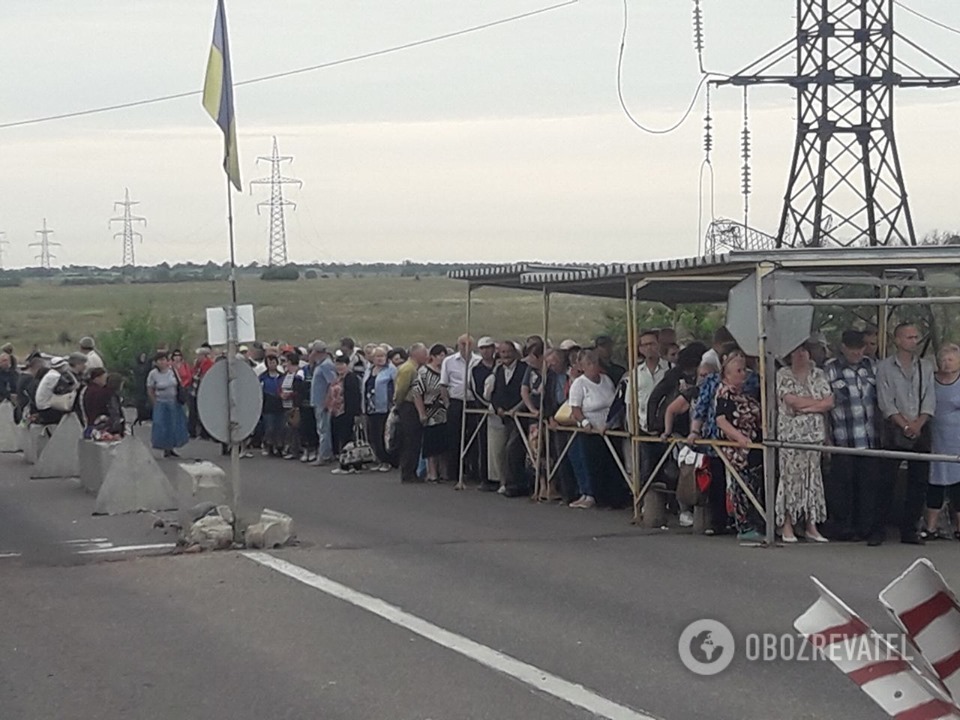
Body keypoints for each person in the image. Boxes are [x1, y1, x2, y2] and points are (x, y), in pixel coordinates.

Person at [877, 323, 936, 545]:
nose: (914, 341)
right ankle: (879, 528)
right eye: (909, 337)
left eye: (916, 337)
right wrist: (904, 424)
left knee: (919, 481)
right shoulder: (885, 367)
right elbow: (885, 400)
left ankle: (910, 529)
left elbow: (930, 398)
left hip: (920, 426)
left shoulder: (926, 366)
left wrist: (919, 423)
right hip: (894, 427)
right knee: (887, 480)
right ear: (898, 340)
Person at [824, 330, 882, 544]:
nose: (857, 352)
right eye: (853, 348)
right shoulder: (830, 369)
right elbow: (824, 406)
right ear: (843, 347)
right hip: (843, 438)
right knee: (843, 486)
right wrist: (826, 437)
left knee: (868, 486)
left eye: (860, 348)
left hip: (869, 438)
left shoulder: (872, 367)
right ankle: (843, 527)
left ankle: (866, 528)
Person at [776, 342, 833, 543]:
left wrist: (808, 408)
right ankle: (787, 524)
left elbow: (828, 401)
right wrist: (815, 404)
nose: (800, 354)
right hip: (790, 436)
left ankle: (811, 524)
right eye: (796, 350)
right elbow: (791, 400)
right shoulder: (783, 374)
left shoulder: (818, 374)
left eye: (803, 350)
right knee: (791, 479)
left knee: (812, 481)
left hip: (814, 436)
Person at [714, 351, 764, 542]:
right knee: (741, 485)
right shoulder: (725, 393)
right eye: (738, 371)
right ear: (727, 374)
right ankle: (743, 524)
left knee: (753, 483)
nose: (743, 374)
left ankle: (754, 520)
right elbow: (721, 420)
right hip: (738, 449)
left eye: (744, 370)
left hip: (752, 445)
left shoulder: (743, 394)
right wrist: (740, 438)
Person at [567, 350, 620, 509]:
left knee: (609, 463)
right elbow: (575, 408)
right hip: (590, 429)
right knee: (591, 462)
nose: (593, 366)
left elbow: (614, 401)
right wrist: (585, 423)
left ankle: (611, 497)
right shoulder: (579, 383)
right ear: (582, 367)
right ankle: (590, 494)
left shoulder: (606, 380)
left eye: (595, 363)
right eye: (589, 364)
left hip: (609, 428)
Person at [922, 344, 960, 540]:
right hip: (935, 438)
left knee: (958, 486)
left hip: (957, 440)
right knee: (935, 483)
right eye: (943, 360)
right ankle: (931, 528)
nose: (946, 364)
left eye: (950, 360)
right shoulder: (931, 381)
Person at [484, 341, 528, 496]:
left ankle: (514, 485)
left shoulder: (524, 369)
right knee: (502, 450)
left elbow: (527, 393)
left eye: (508, 352)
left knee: (512, 448)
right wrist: (498, 408)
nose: (506, 355)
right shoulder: (498, 371)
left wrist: (515, 409)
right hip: (504, 417)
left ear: (515, 353)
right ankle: (506, 482)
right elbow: (495, 394)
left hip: (521, 416)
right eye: (503, 352)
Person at [440, 334, 479, 483]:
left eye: (468, 344)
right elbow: (443, 384)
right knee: (454, 437)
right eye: (462, 344)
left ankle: (473, 471)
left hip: (473, 401)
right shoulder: (449, 361)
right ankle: (454, 472)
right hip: (456, 402)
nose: (465, 347)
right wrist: (448, 404)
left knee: (473, 437)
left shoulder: (478, 361)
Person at [414, 344, 448, 483]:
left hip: (444, 412)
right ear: (432, 357)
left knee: (443, 443)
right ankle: (432, 472)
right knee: (431, 443)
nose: (442, 358)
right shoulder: (424, 372)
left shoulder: (446, 371)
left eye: (444, 355)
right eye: (440, 355)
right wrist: (421, 413)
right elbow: (417, 393)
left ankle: (444, 472)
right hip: (430, 411)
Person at [394, 343, 429, 482]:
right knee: (410, 440)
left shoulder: (416, 368)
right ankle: (408, 471)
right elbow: (401, 389)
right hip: (408, 406)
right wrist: (398, 403)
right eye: (424, 353)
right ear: (416, 354)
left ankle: (411, 470)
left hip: (412, 406)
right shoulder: (408, 369)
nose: (426, 356)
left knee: (414, 440)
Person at [147, 352, 188, 458]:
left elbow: (179, 384)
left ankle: (171, 448)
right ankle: (164, 447)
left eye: (164, 360)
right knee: (161, 425)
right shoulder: (153, 374)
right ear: (156, 362)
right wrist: (154, 402)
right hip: (161, 402)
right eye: (159, 360)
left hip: (173, 402)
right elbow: (150, 389)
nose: (162, 362)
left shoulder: (172, 371)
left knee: (173, 425)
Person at [362, 346, 396, 471]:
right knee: (374, 435)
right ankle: (379, 459)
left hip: (384, 407)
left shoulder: (391, 370)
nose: (380, 359)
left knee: (384, 435)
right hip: (370, 407)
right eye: (378, 356)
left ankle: (387, 461)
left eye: (382, 356)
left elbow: (395, 387)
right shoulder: (369, 369)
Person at [470, 337, 498, 488]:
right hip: (483, 410)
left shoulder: (499, 366)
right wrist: (487, 405)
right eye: (483, 348)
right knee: (483, 443)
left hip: (500, 410)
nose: (486, 351)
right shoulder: (475, 369)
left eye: (489, 347)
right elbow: (475, 390)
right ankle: (484, 477)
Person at [330, 351, 363, 467]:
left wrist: (355, 414)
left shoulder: (351, 378)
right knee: (340, 438)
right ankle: (343, 461)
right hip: (337, 412)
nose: (339, 367)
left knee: (347, 438)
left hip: (347, 412)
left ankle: (349, 464)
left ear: (347, 365)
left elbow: (355, 396)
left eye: (342, 364)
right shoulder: (337, 378)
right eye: (337, 364)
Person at [35, 353, 85, 426]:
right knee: (72, 414)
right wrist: (74, 388)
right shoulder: (55, 376)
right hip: (47, 408)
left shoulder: (50, 374)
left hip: (42, 406)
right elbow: (61, 390)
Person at [309, 340, 337, 465]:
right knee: (320, 428)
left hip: (322, 401)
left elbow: (332, 383)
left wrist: (327, 400)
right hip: (317, 400)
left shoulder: (326, 365)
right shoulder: (319, 365)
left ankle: (324, 455)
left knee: (323, 428)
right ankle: (326, 453)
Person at [258, 354, 285, 457]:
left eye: (273, 362)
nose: (272, 364)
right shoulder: (263, 377)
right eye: (269, 362)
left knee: (280, 427)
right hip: (268, 405)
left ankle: (278, 446)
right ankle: (268, 445)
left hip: (279, 404)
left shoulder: (282, 377)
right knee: (269, 427)